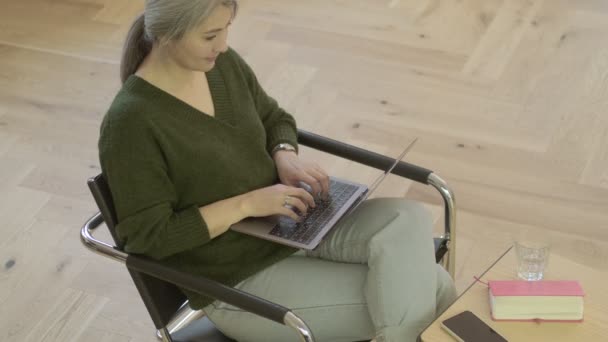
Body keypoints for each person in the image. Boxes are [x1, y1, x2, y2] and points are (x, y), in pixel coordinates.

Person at [98, 0, 457, 341]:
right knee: (430, 290)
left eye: (226, 29)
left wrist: (284, 154)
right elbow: (146, 237)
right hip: (236, 279)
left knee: (407, 220)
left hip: (290, 225)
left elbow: (273, 118)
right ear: (165, 34)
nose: (222, 46)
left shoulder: (219, 65)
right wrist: (247, 204)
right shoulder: (131, 123)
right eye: (210, 36)